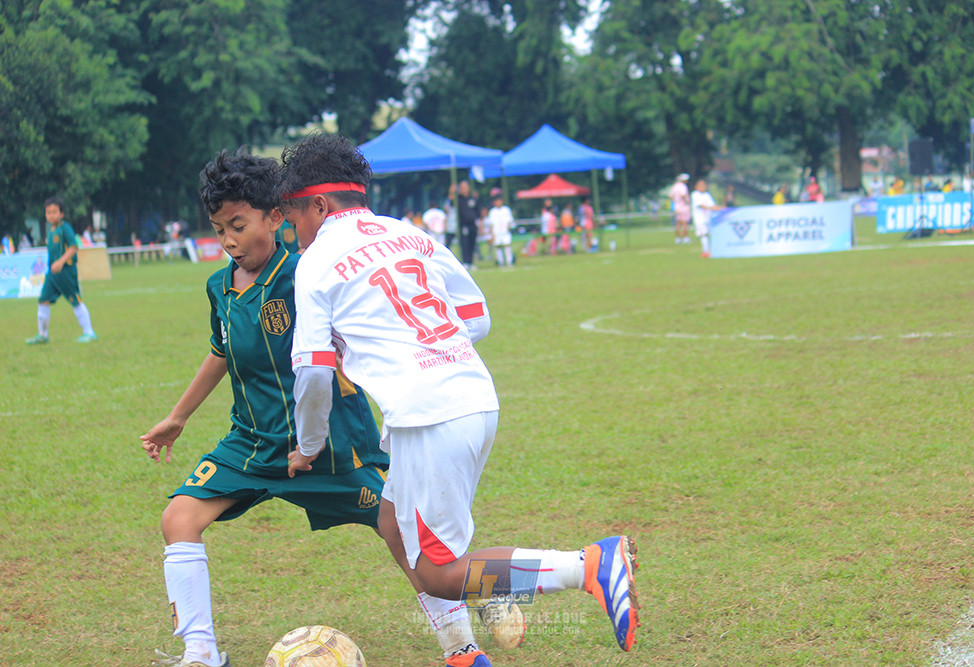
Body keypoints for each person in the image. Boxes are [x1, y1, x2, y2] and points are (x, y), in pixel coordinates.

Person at [140, 149, 521, 667]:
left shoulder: (307, 271)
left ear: (277, 216)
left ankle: (466, 633)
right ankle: (201, 653)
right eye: (218, 228)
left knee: (400, 529)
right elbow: (221, 351)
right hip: (252, 443)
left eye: (238, 224)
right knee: (178, 518)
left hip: (331, 447)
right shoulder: (219, 287)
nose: (228, 239)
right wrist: (178, 416)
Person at [279, 133, 639, 667]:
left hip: (429, 415)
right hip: (472, 395)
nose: (294, 233)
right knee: (390, 522)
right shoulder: (411, 235)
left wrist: (307, 445)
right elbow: (477, 315)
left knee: (441, 574)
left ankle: (589, 565)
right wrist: (426, 347)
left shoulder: (315, 261)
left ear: (318, 205)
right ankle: (462, 653)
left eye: (293, 219)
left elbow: (312, 368)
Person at [25, 197, 97, 344]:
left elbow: (73, 247)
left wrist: (61, 262)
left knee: (75, 300)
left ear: (61, 214)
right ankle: (43, 335)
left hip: (66, 272)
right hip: (52, 274)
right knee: (43, 300)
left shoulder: (65, 228)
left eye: (54, 212)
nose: (51, 215)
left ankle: (89, 332)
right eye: (48, 212)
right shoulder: (51, 231)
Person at [691, 179, 721, 258]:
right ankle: (706, 251)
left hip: (708, 218)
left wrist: (719, 208)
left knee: (708, 234)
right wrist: (711, 208)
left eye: (704, 186)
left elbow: (712, 205)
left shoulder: (707, 195)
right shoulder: (695, 194)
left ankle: (709, 251)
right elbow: (700, 205)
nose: (702, 187)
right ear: (696, 187)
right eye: (700, 186)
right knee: (703, 234)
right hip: (700, 219)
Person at [485, 187, 514, 267]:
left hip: (505, 232)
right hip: (496, 232)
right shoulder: (492, 212)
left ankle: (509, 262)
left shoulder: (506, 210)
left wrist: (508, 228)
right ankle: (501, 262)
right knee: (498, 247)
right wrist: (491, 234)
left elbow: (509, 221)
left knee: (507, 246)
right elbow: (491, 223)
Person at [456, 180, 478, 270]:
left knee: (472, 243)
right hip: (463, 225)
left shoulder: (472, 199)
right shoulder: (458, 199)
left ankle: (471, 262)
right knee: (465, 243)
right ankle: (465, 261)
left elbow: (478, 210)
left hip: (473, 224)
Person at [668, 173, 691, 244]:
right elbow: (683, 195)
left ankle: (678, 238)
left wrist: (675, 202)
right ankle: (685, 237)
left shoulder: (675, 186)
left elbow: (671, 196)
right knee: (684, 223)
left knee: (678, 223)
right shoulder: (682, 186)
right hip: (683, 207)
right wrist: (686, 202)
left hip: (676, 207)